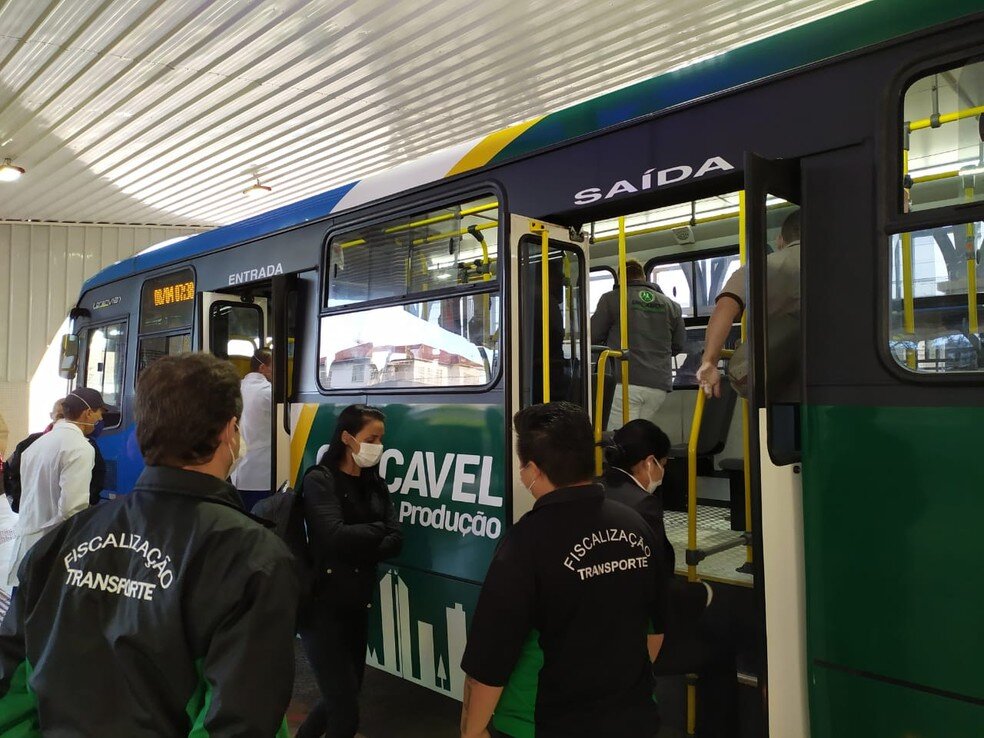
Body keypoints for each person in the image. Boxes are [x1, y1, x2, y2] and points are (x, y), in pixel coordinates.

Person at [0, 353, 299, 736]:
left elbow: (12, 688)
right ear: (230, 430)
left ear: (142, 434)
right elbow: (240, 720)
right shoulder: (253, 557)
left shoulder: (62, 541)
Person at [460, 401, 667, 738]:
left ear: (533, 470)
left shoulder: (525, 542)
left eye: (523, 468)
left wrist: (472, 730)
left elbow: (489, 660)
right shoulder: (636, 525)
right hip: (634, 716)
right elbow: (655, 630)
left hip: (544, 723)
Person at [601, 419, 738, 738]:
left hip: (593, 631)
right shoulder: (643, 506)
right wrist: (700, 594)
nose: (662, 472)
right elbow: (654, 584)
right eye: (662, 464)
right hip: (630, 640)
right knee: (719, 649)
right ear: (649, 463)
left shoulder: (595, 488)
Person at [297, 403, 403, 738]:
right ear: (347, 437)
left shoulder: (375, 485)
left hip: (357, 603)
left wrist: (370, 536)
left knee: (342, 694)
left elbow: (397, 538)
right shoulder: (320, 479)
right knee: (344, 709)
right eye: (371, 437)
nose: (378, 446)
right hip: (322, 605)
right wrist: (377, 531)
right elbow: (333, 536)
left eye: (381, 439)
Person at [5, 389, 109, 588]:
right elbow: (72, 509)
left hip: (27, 541)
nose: (100, 418)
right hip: (52, 547)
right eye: (99, 413)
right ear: (88, 413)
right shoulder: (80, 447)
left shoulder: (38, 444)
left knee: (23, 606)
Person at [697, 209, 800, 399]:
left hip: (778, 376)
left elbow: (726, 307)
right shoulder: (845, 263)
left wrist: (709, 360)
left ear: (780, 240)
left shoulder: (760, 267)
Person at [591, 259, 686, 428]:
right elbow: (678, 344)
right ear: (643, 276)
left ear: (620, 278)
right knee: (638, 437)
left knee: (620, 439)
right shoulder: (672, 305)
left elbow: (592, 336)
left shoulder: (611, 299)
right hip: (658, 385)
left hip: (624, 382)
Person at [3, 399, 65, 512]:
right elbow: (14, 472)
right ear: (51, 415)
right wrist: (20, 502)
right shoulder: (31, 441)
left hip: (60, 511)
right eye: (60, 416)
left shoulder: (82, 444)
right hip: (34, 509)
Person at [233, 347, 273, 510]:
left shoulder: (237, 388)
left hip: (238, 472)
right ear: (262, 367)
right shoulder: (268, 392)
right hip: (261, 473)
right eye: (273, 365)